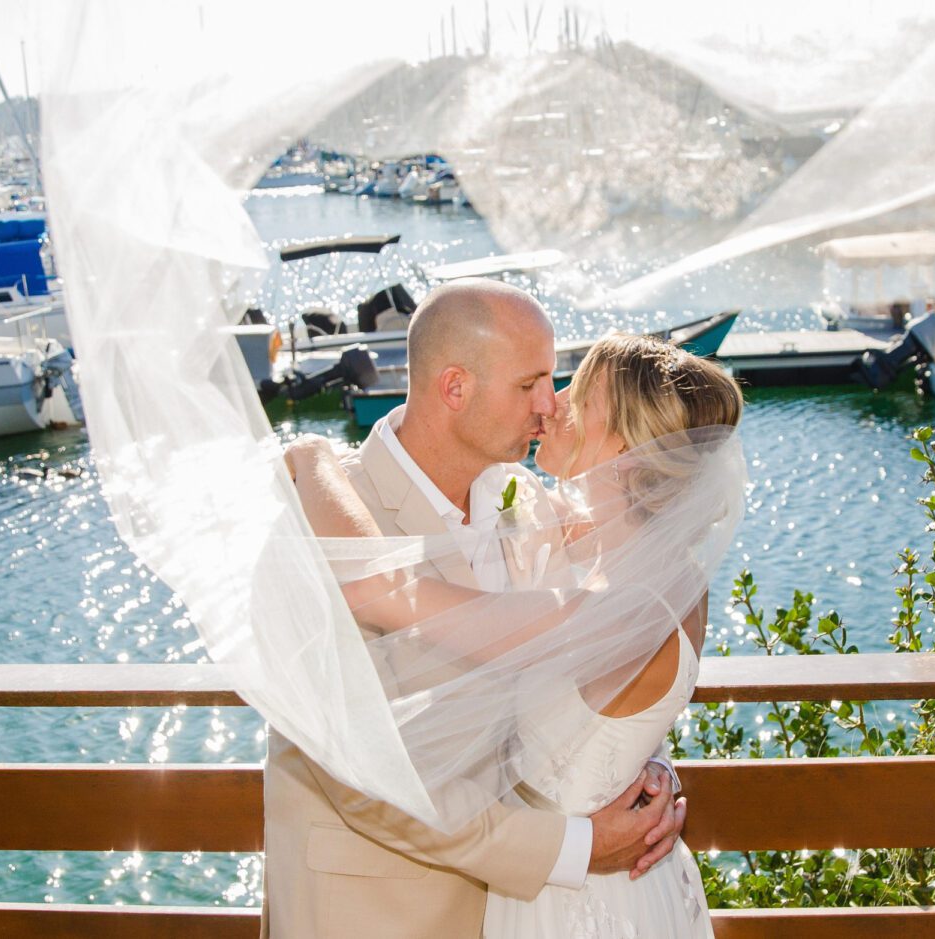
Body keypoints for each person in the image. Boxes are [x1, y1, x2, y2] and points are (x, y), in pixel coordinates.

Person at [260, 280, 692, 939]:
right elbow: (370, 780)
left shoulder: (530, 504)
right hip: (375, 918)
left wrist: (635, 768)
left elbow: (585, 678)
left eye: (555, 379)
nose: (552, 406)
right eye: (531, 384)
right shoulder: (324, 525)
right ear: (455, 387)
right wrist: (575, 844)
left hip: (523, 917)